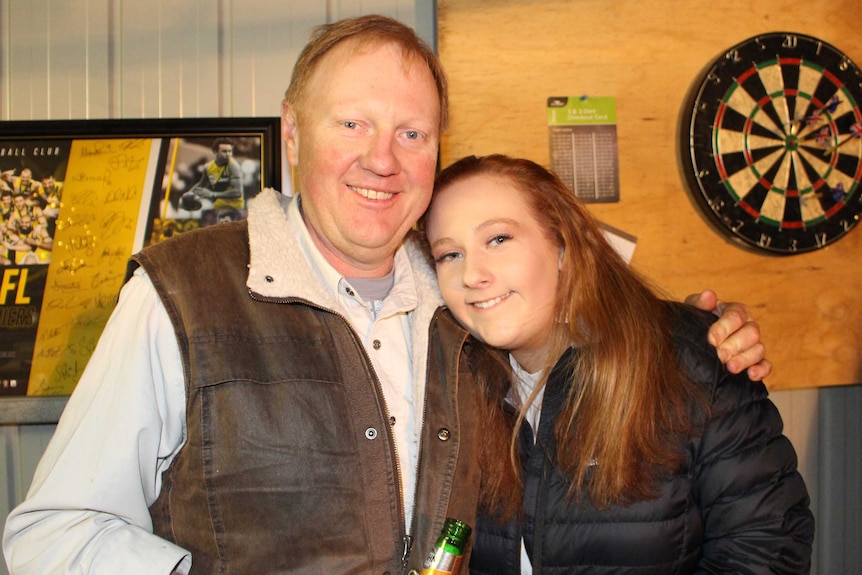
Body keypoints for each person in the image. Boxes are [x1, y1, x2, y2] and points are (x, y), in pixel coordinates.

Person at [3, 16, 769, 575]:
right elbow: (49, 533)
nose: (383, 159)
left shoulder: (466, 306)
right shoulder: (182, 293)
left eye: (413, 133)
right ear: (294, 133)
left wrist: (705, 335)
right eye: (353, 123)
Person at [421, 154, 814, 574]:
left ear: (562, 246)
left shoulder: (691, 360)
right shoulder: (453, 385)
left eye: (498, 239)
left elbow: (765, 549)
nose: (472, 274)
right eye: (449, 255)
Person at [183, 137, 244, 211]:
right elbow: (201, 183)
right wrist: (189, 193)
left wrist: (212, 194)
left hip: (232, 207)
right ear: (216, 152)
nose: (228, 154)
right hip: (214, 206)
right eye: (224, 151)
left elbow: (237, 192)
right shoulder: (209, 166)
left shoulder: (234, 167)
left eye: (230, 151)